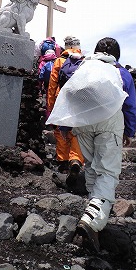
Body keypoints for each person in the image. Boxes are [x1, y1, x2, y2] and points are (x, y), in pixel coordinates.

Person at [72, 37, 136, 252]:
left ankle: (93, 207)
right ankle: (93, 218)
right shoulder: (121, 72)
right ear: (116, 55)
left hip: (83, 122)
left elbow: (69, 93)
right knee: (108, 171)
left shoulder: (84, 67)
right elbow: (128, 104)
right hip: (109, 122)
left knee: (91, 166)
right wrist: (129, 130)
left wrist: (65, 126)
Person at [47, 35, 85, 181]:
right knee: (77, 131)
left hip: (61, 100)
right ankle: (75, 159)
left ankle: (62, 161)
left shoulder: (59, 61)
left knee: (60, 131)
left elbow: (52, 86)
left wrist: (50, 108)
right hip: (80, 102)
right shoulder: (84, 62)